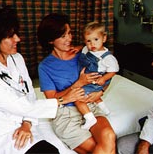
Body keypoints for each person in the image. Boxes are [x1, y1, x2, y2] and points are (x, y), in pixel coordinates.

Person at [0, 4, 78, 154]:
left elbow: (29, 94)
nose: (18, 39)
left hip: (23, 121)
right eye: (10, 36)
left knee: (51, 151)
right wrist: (62, 100)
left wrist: (27, 123)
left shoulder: (17, 58)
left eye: (16, 33)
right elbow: (22, 106)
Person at [37, 13, 116, 154]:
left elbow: (105, 76)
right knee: (101, 149)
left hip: (90, 106)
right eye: (63, 36)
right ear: (50, 40)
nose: (69, 38)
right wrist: (78, 84)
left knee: (109, 136)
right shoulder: (45, 66)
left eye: (69, 33)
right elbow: (52, 99)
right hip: (65, 114)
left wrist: (100, 91)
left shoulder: (85, 54)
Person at [77, 21, 119, 130]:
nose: (92, 44)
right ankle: (105, 110)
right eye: (88, 41)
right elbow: (83, 51)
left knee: (78, 98)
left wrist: (104, 78)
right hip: (89, 78)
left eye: (96, 39)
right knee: (94, 96)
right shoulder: (87, 49)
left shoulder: (107, 57)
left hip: (97, 80)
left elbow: (114, 71)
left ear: (104, 39)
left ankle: (90, 118)